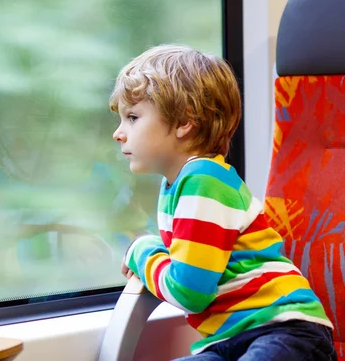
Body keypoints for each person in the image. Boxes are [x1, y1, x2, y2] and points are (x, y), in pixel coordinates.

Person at [111, 44, 336, 360]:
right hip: (226, 339)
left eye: (132, 117)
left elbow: (189, 292)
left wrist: (142, 251)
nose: (118, 133)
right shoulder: (175, 186)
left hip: (284, 330)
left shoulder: (204, 180)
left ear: (183, 122)